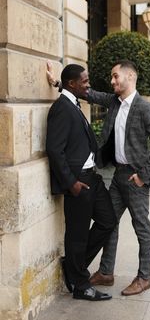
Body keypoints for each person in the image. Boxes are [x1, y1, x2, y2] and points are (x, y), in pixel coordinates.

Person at [47, 60, 150, 296]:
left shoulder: (144, 108)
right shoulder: (114, 102)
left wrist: (143, 176)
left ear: (130, 76)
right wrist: (57, 83)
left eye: (115, 77)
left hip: (135, 179)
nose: (112, 81)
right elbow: (87, 93)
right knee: (109, 222)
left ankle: (144, 277)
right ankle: (106, 272)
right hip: (117, 175)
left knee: (141, 227)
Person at [46, 64, 116, 301]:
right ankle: (81, 285)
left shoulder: (73, 103)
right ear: (72, 84)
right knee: (77, 235)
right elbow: (55, 150)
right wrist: (71, 183)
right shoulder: (62, 108)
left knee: (108, 220)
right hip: (79, 182)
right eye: (85, 82)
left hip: (92, 177)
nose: (88, 85)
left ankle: (73, 266)